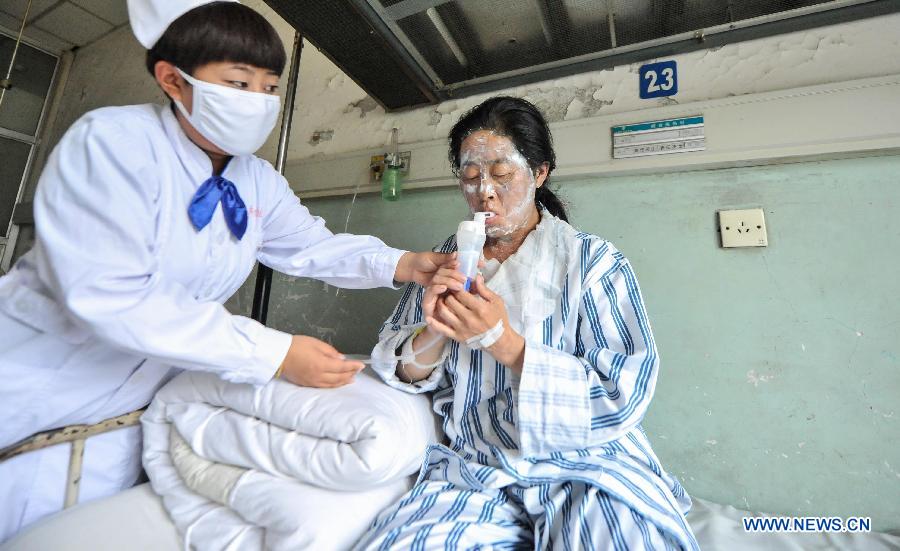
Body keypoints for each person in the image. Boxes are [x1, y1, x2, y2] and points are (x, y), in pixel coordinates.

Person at [0, 0, 448, 542]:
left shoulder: (255, 180)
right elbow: (111, 296)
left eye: (268, 88)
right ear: (174, 80)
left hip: (131, 416)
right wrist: (275, 353)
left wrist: (405, 264)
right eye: (237, 83)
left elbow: (313, 247)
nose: (257, 103)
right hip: (34, 394)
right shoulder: (115, 143)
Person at [357, 97, 700, 550]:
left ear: (539, 174)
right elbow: (396, 369)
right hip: (478, 465)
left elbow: (624, 391)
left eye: (501, 174)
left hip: (587, 462)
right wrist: (436, 329)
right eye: (470, 176)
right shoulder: (447, 260)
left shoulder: (592, 262)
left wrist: (505, 343)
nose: (484, 192)